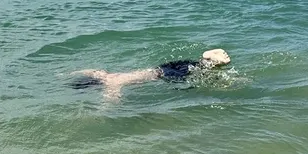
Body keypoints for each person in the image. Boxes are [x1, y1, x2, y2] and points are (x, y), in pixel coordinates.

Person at [70, 49, 231, 100]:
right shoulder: (104, 75)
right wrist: (68, 73)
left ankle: (212, 62)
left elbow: (112, 100)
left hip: (161, 75)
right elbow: (90, 70)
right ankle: (206, 58)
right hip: (158, 68)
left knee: (194, 73)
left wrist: (103, 111)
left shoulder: (112, 84)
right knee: (189, 66)